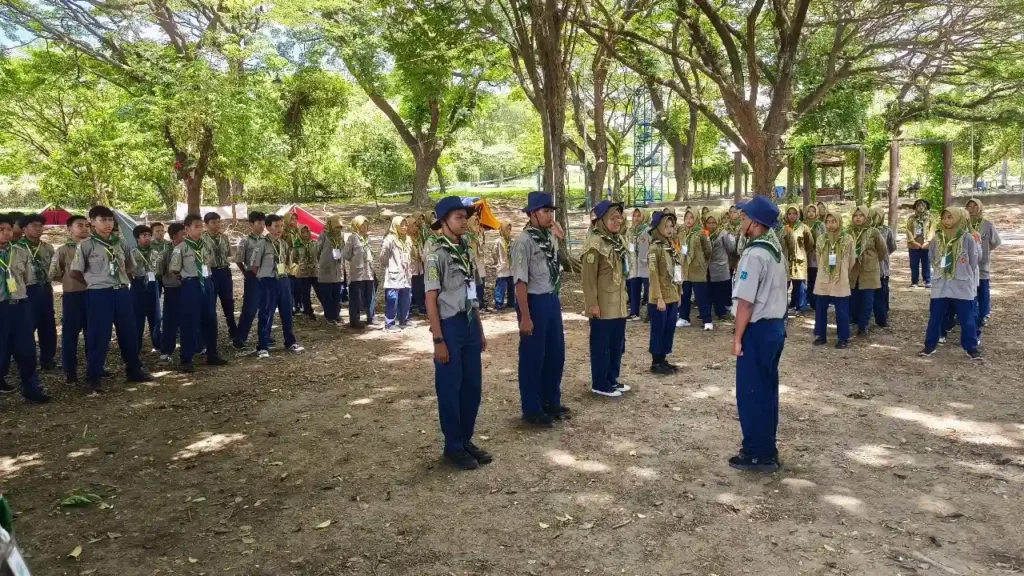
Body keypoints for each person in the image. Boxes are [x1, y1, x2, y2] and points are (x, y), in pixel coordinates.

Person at [424, 196, 490, 470]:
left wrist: (481, 329)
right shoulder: (435, 255)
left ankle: (465, 439)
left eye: (465, 217)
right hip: (449, 326)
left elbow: (472, 294)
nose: (465, 221)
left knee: (472, 386)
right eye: (458, 218)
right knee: (450, 388)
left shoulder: (467, 250)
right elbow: (430, 299)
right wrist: (438, 340)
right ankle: (452, 446)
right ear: (444, 222)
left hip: (469, 324)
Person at [730, 195, 788, 472]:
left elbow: (745, 302)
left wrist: (738, 337)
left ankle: (756, 452)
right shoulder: (774, 250)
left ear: (754, 223)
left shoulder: (755, 254)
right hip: (775, 327)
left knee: (751, 392)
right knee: (766, 390)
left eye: (744, 217)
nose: (741, 221)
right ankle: (766, 446)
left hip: (758, 329)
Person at [70, 205, 152, 391]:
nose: (107, 224)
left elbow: (130, 267)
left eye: (110, 220)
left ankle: (134, 370)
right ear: (92, 222)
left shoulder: (120, 243)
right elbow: (75, 272)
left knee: (128, 332)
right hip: (100, 294)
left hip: (121, 292)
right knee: (99, 335)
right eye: (102, 220)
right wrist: (94, 283)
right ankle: (94, 377)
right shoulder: (85, 245)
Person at [513, 191, 568, 428]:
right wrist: (525, 316)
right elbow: (520, 283)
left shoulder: (549, 237)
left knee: (555, 353)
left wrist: (560, 238)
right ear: (532, 214)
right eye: (545, 211)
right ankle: (532, 408)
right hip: (534, 302)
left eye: (551, 211)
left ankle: (550, 400)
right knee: (533, 356)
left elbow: (557, 265)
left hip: (551, 299)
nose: (550, 215)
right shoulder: (523, 243)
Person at [582, 201, 631, 398]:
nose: (617, 221)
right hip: (602, 305)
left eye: (619, 217)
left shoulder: (617, 240)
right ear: (602, 219)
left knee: (616, 344)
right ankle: (600, 383)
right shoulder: (595, 243)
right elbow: (588, 279)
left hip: (618, 303)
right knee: (602, 346)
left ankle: (612, 378)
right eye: (612, 218)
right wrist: (592, 304)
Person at [920, 208, 982, 360]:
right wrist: (942, 271)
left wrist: (960, 270)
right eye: (944, 218)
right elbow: (932, 256)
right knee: (935, 317)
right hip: (941, 283)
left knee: (966, 318)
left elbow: (974, 260)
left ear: (959, 219)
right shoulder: (937, 238)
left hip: (961, 283)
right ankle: (930, 345)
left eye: (950, 217)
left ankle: (971, 347)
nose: (946, 221)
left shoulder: (967, 238)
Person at [0, 214, 50, 403]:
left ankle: (31, 388)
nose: (5, 233)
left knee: (27, 350)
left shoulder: (20, 252)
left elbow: (27, 278)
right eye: (1, 230)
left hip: (19, 305)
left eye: (7, 229)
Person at [169, 214, 227, 372]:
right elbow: (174, 270)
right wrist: (187, 280)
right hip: (191, 285)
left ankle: (212, 354)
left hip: (207, 283)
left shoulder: (206, 244)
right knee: (190, 322)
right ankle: (187, 359)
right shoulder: (180, 248)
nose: (200, 229)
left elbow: (211, 263)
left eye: (201, 226)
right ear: (187, 229)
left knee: (210, 319)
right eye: (196, 226)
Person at [252, 214, 305, 359]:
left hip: (283, 280)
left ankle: (290, 342)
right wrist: (264, 277)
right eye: (276, 226)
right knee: (266, 313)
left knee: (287, 311)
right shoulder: (261, 244)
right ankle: (262, 346)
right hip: (268, 281)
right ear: (268, 227)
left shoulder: (283, 244)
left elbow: (288, 262)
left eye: (281, 226)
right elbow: (255, 266)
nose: (279, 229)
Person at [50, 215, 91, 384]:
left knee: (94, 333)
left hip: (94, 294)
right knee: (70, 335)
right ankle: (70, 371)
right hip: (73, 296)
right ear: (70, 229)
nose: (84, 228)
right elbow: (53, 273)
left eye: (87, 225)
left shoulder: (95, 247)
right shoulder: (63, 250)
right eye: (79, 225)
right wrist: (68, 281)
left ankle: (95, 368)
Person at [16, 214, 57, 370]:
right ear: (24, 228)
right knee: (27, 324)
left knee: (47, 323)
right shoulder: (16, 248)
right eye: (34, 225)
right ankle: (26, 362)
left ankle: (48, 358)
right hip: (27, 289)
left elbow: (54, 268)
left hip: (45, 287)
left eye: (40, 226)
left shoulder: (48, 248)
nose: (38, 229)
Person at [812, 212, 854, 348]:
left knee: (842, 310)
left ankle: (843, 338)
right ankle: (820, 335)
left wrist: (842, 271)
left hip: (841, 279)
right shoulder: (821, 239)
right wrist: (826, 271)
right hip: (823, 278)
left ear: (840, 222)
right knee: (820, 308)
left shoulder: (847, 239)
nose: (831, 225)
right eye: (828, 221)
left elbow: (852, 260)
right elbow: (818, 258)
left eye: (834, 221)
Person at [646, 210, 681, 375]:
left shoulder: (671, 245)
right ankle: (656, 362)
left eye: (671, 226)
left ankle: (663, 359)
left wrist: (679, 292)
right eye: (665, 226)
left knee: (669, 329)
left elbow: (677, 270)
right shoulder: (655, 248)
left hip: (672, 295)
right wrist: (658, 297)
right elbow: (653, 275)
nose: (669, 229)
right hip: (660, 297)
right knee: (658, 329)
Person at [847, 206, 887, 337]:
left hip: (869, 271)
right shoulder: (848, 232)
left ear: (866, 217)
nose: (858, 218)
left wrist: (872, 260)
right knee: (854, 299)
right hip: (853, 271)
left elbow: (882, 250)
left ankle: (863, 326)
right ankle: (854, 320)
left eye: (861, 215)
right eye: (855, 215)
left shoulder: (873, 232)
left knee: (868, 300)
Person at [232, 212, 266, 351]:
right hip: (252, 277)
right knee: (250, 308)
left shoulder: (267, 240)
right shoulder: (246, 241)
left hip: (266, 276)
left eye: (264, 223)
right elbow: (239, 260)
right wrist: (246, 272)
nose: (262, 226)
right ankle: (240, 338)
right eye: (259, 223)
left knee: (265, 308)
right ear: (251, 224)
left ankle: (264, 335)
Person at [965, 198, 1001, 326]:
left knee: (983, 288)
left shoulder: (987, 225)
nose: (972, 209)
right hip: (966, 264)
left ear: (980, 208)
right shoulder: (963, 224)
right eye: (969, 207)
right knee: (968, 289)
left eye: (975, 206)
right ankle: (969, 313)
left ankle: (984, 313)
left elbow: (996, 241)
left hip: (982, 264)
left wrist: (984, 250)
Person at [202, 212, 237, 339]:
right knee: (210, 303)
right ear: (206, 224)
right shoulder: (202, 239)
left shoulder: (224, 237)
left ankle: (233, 329)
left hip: (224, 272)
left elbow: (228, 253)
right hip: (211, 273)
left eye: (218, 222)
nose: (217, 225)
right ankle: (210, 332)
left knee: (228, 301)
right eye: (213, 222)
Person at [677, 208, 713, 330]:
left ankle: (707, 319)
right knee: (684, 294)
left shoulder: (702, 232)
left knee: (701, 295)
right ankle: (684, 317)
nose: (688, 220)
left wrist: (702, 260)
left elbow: (708, 250)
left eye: (691, 217)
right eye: (686, 217)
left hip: (697, 268)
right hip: (685, 268)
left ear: (696, 218)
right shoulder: (682, 232)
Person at [130, 224, 162, 354]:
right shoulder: (132, 253)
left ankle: (158, 344)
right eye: (144, 236)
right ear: (137, 238)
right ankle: (136, 347)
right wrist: (132, 281)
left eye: (149, 235)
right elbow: (127, 269)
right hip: (137, 284)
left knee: (155, 315)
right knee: (137, 316)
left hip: (153, 284)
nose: (147, 238)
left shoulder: (155, 252)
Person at [157, 223, 185, 363]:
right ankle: (166, 350)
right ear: (174, 236)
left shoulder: (190, 247)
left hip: (188, 288)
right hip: (172, 289)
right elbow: (159, 271)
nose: (185, 237)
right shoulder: (166, 251)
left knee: (190, 317)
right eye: (182, 234)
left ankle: (196, 346)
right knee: (170, 320)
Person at [380, 216, 413, 332]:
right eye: (401, 225)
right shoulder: (390, 239)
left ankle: (404, 320)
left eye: (405, 225)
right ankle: (389, 323)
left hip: (406, 273)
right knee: (392, 298)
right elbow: (383, 257)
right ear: (395, 226)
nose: (404, 227)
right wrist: (391, 266)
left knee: (406, 297)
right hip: (394, 273)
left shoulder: (408, 239)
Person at [344, 215, 375, 329]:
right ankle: (355, 320)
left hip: (368, 271)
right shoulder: (352, 238)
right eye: (362, 224)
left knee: (370, 296)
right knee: (356, 297)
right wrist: (355, 259)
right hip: (357, 273)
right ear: (356, 225)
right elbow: (346, 254)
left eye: (366, 224)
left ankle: (371, 317)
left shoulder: (367, 238)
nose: (365, 227)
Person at [783, 206, 813, 314]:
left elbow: (809, 243)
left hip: (799, 259)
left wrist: (802, 252)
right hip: (786, 259)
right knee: (785, 283)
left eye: (794, 213)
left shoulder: (803, 227)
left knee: (800, 284)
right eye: (789, 213)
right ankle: (787, 305)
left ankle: (800, 307)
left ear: (798, 215)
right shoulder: (784, 228)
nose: (792, 216)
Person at [871, 207, 897, 328]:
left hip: (882, 267)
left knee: (882, 292)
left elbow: (892, 246)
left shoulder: (887, 230)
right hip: (868, 267)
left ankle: (882, 316)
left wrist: (884, 255)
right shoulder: (865, 230)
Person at [316, 216, 345, 325]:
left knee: (337, 294)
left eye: (340, 227)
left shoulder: (341, 236)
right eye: (336, 226)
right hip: (326, 269)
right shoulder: (324, 235)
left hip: (337, 269)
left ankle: (336, 314)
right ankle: (329, 316)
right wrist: (321, 262)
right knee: (327, 294)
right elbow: (317, 250)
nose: (338, 229)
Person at [706, 211, 734, 321]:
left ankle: (721, 313)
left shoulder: (723, 234)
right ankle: (709, 312)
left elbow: (730, 248)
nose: (711, 225)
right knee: (709, 291)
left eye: (714, 222)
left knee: (720, 292)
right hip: (708, 268)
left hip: (720, 267)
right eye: (709, 222)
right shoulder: (704, 234)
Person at [625, 208, 650, 321]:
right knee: (634, 288)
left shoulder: (648, 230)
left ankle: (651, 313)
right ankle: (634, 312)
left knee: (649, 289)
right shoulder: (630, 231)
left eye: (638, 216)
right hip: (634, 264)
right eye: (634, 216)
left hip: (645, 264)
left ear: (644, 217)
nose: (636, 218)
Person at [293, 225, 318, 320]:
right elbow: (294, 258)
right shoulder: (297, 245)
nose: (305, 234)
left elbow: (318, 255)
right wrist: (302, 263)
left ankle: (329, 311)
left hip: (315, 271)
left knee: (319, 291)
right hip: (303, 272)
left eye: (307, 232)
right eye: (302, 232)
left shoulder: (314, 243)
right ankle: (308, 311)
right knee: (305, 293)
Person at [906, 199, 933, 288]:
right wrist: (913, 242)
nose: (921, 207)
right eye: (919, 205)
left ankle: (927, 280)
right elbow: (908, 230)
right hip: (913, 245)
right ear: (916, 207)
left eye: (923, 205)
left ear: (926, 207)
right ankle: (914, 281)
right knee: (914, 263)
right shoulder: (911, 218)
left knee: (926, 263)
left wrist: (928, 241)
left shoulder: (930, 217)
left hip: (926, 245)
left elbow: (933, 230)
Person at [466, 214, 488, 312]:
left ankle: (480, 302)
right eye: (474, 224)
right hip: (471, 263)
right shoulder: (466, 237)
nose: (477, 226)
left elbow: (482, 248)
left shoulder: (479, 236)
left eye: (478, 224)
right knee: (471, 284)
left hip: (479, 262)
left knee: (481, 283)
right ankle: (472, 305)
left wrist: (481, 236)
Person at [491, 221, 516, 310]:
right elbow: (494, 252)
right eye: (507, 229)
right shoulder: (498, 241)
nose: (509, 231)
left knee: (511, 286)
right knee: (501, 286)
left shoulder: (512, 241)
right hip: (502, 267)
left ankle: (511, 302)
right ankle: (499, 303)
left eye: (510, 229)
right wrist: (497, 261)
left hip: (511, 268)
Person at [805, 205, 825, 311]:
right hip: (806, 256)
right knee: (810, 279)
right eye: (809, 211)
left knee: (816, 279)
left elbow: (825, 239)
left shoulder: (820, 225)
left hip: (817, 257)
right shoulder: (804, 225)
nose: (811, 213)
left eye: (813, 211)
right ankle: (810, 300)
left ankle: (817, 302)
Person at [282, 211, 302, 315]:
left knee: (299, 287)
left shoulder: (298, 231)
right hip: (287, 262)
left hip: (297, 262)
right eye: (291, 219)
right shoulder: (283, 232)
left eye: (295, 219)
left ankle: (299, 305)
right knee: (289, 287)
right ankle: (289, 307)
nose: (294, 221)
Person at [409, 212, 428, 316]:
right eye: (413, 226)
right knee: (411, 287)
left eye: (416, 226)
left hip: (419, 266)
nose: (415, 228)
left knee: (419, 287)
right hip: (410, 267)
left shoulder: (418, 237)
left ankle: (421, 307)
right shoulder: (406, 239)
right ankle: (411, 307)